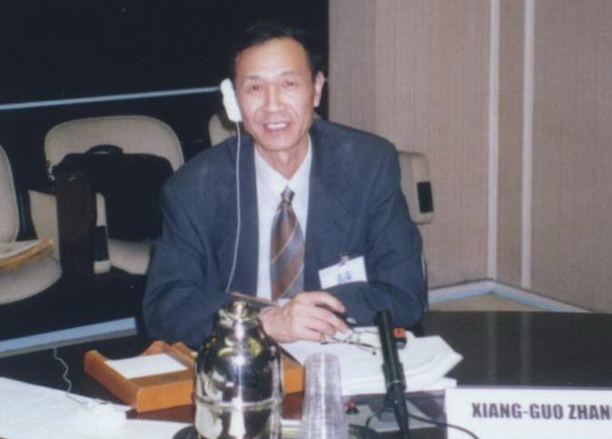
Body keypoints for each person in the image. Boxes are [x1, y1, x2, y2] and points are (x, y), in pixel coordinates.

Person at [143, 20, 427, 348]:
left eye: (288, 84)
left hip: (340, 352)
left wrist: (304, 317)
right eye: (255, 88)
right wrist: (265, 321)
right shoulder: (194, 187)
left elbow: (404, 293)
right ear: (233, 101)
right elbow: (164, 308)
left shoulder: (367, 165)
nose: (273, 105)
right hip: (242, 354)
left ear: (316, 89)